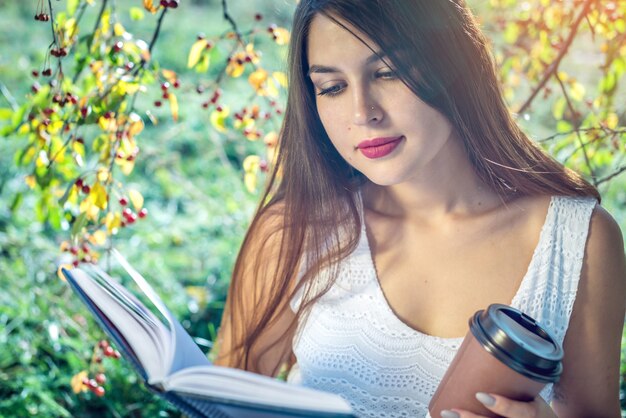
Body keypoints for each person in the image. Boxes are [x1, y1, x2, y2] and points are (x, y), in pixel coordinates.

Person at [213, 0, 626, 417]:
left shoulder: (577, 240)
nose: (363, 113)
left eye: (388, 72)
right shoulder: (293, 231)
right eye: (332, 87)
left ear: (454, 66)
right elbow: (218, 406)